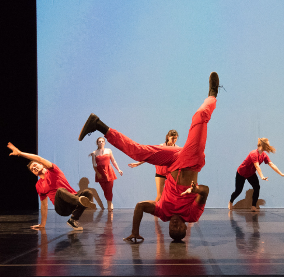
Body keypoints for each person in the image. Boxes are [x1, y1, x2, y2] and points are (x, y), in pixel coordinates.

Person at [78, 72, 219, 243]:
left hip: (172, 162)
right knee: (199, 117)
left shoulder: (163, 212)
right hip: (189, 161)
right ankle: (212, 95)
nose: (174, 225)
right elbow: (205, 191)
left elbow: (140, 206)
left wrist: (135, 231)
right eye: (178, 228)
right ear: (185, 227)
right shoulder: (192, 215)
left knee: (137, 152)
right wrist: (196, 190)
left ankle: (98, 124)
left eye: (171, 229)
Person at [6, 143, 95, 231]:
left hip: (72, 201)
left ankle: (73, 219)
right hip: (62, 208)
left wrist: (20, 153)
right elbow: (44, 205)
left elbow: (39, 159)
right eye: (33, 169)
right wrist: (42, 224)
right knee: (60, 191)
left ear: (41, 164)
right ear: (34, 173)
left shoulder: (53, 170)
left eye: (35, 165)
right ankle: (81, 201)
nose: (35, 168)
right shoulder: (38, 185)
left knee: (88, 193)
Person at [228, 138, 284, 211]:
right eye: (267, 145)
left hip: (251, 174)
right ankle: (231, 201)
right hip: (241, 173)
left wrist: (281, 174)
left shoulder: (264, 155)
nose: (269, 146)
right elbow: (257, 166)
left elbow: (271, 164)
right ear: (263, 145)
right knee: (238, 191)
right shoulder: (254, 153)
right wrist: (262, 176)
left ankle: (253, 206)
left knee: (257, 187)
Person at [128, 130, 180, 201]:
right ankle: (155, 211)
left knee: (172, 195)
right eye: (172, 138)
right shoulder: (162, 146)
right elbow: (150, 156)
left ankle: (170, 211)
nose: (174, 140)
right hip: (160, 172)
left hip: (170, 173)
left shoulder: (177, 148)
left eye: (176, 138)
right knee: (160, 196)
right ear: (168, 137)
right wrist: (138, 163)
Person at [89, 136, 123, 213]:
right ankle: (109, 201)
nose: (101, 142)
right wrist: (97, 173)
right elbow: (94, 165)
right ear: (97, 143)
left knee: (109, 189)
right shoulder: (94, 153)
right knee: (105, 190)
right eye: (99, 141)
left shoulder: (109, 150)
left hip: (109, 171)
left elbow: (113, 161)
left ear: (104, 142)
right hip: (100, 173)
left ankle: (109, 204)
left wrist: (118, 169)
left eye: (102, 141)